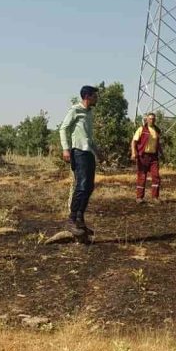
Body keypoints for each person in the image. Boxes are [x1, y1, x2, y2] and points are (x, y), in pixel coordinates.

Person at [58, 85, 99, 242]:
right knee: (81, 185)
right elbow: (63, 128)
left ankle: (80, 220)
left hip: (88, 152)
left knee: (89, 186)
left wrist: (98, 151)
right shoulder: (75, 110)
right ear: (87, 96)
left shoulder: (89, 113)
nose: (97, 98)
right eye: (95, 96)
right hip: (78, 152)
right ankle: (71, 220)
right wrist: (66, 149)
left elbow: (88, 136)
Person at [131, 112, 163, 203]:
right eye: (150, 118)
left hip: (153, 156)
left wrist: (161, 153)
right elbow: (134, 141)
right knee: (142, 176)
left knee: (156, 176)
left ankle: (155, 197)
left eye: (153, 119)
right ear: (147, 120)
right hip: (143, 155)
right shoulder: (142, 129)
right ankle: (139, 197)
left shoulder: (156, 130)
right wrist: (134, 152)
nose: (152, 120)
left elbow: (158, 143)